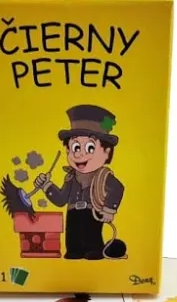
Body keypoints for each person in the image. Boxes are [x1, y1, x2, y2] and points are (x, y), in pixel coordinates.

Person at [33, 105, 124, 260]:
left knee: (91, 234)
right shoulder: (71, 177)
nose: (80, 154)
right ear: (68, 150)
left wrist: (109, 209)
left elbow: (118, 188)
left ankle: (95, 249)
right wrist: (46, 186)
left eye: (90, 148)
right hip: (73, 212)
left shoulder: (103, 176)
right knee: (72, 235)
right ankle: (74, 250)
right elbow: (61, 199)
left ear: (106, 152)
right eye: (75, 147)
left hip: (92, 212)